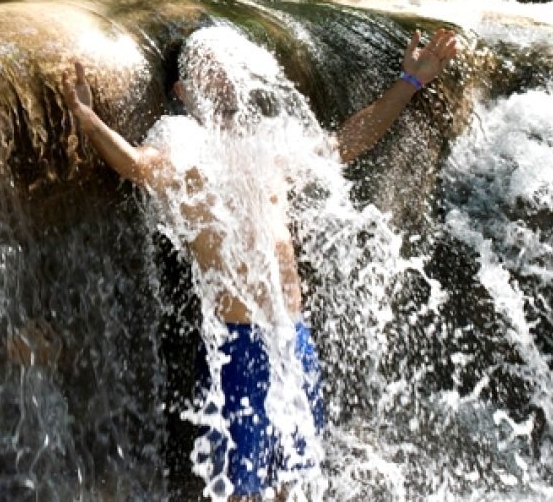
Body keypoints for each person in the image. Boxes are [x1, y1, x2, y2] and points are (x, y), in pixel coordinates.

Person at [59, 26, 457, 500]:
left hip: (293, 337)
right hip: (237, 343)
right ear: (182, 92)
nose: (223, 73)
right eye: (206, 65)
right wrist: (88, 120)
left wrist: (409, 83)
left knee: (296, 480)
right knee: (242, 488)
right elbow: (140, 166)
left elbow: (346, 143)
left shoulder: (267, 140)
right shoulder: (182, 136)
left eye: (226, 61)